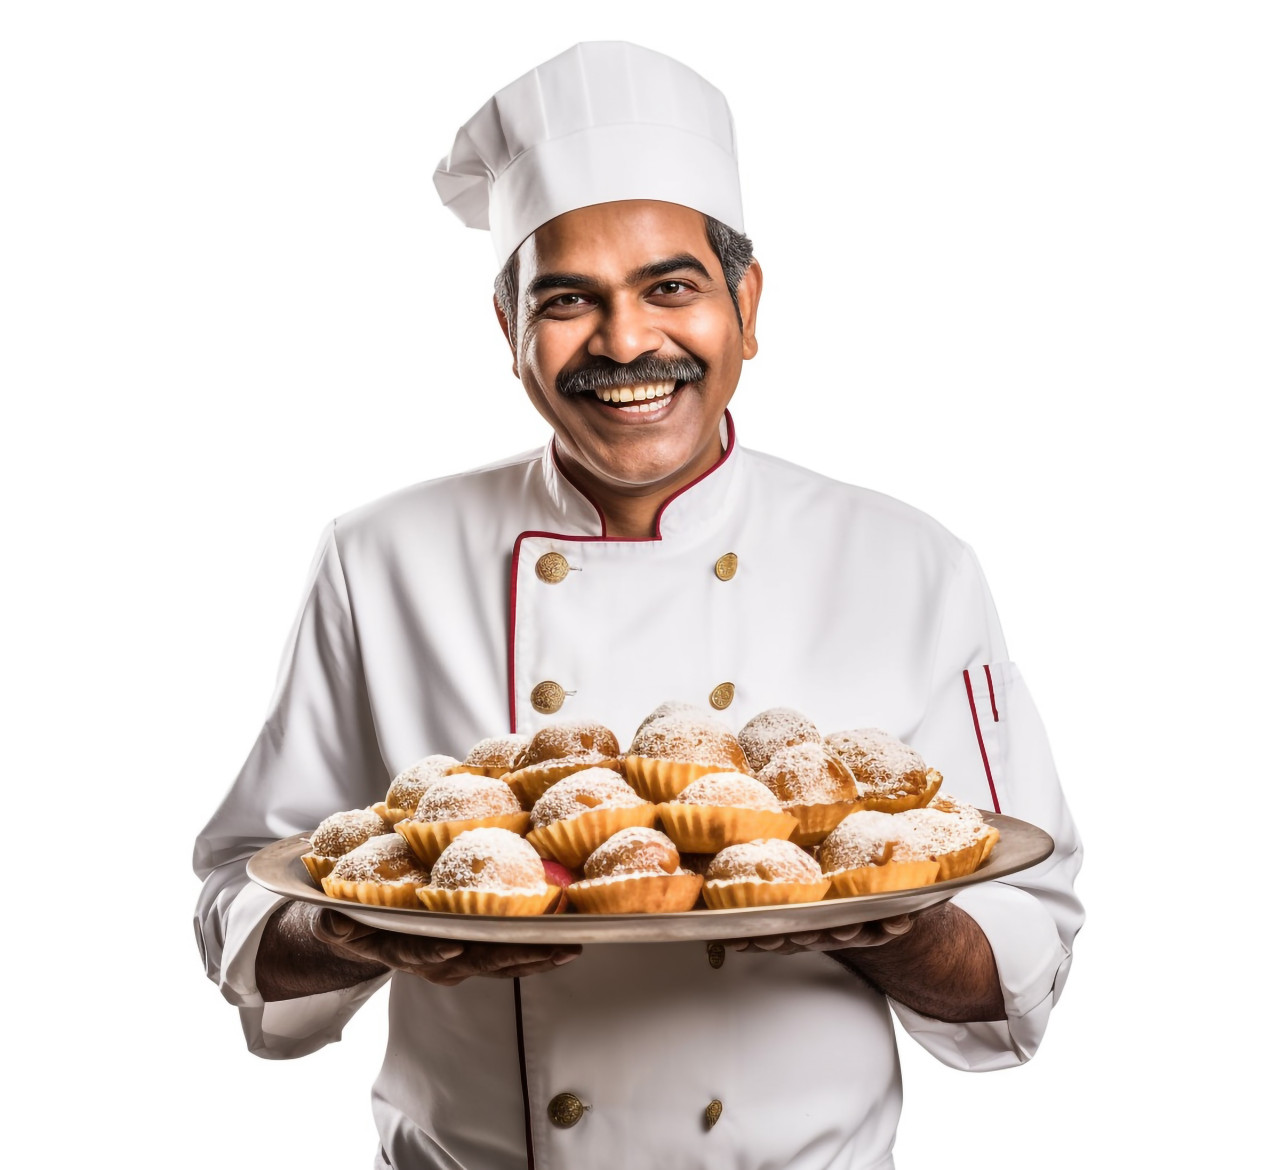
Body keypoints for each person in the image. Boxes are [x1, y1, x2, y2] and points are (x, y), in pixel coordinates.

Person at [194, 41, 1083, 1170]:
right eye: (568, 300)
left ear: (744, 305)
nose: (624, 344)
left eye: (670, 286)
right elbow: (244, 908)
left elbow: (1018, 971)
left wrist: (889, 920)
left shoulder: (910, 563)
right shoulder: (376, 559)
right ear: (508, 330)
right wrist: (353, 927)